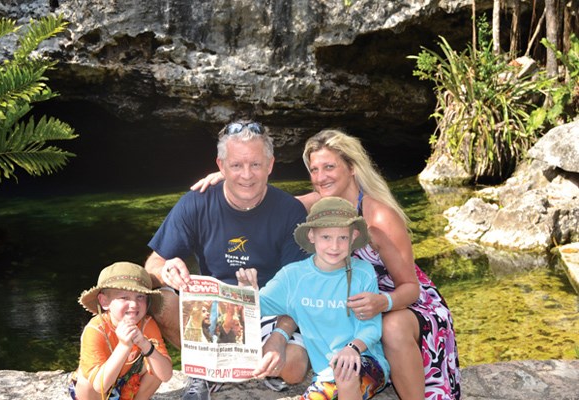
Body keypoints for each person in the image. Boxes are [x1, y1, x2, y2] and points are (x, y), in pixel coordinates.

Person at [192, 129, 462, 399]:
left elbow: (410, 288)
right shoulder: (320, 205)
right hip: (350, 301)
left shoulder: (380, 217)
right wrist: (231, 179)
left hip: (402, 301)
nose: (321, 177)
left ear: (352, 167)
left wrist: (383, 303)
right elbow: (261, 203)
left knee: (391, 326)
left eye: (329, 167)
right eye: (314, 169)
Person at [145, 120, 309, 400]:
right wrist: (167, 271)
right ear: (221, 166)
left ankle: (245, 363)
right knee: (160, 300)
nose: (247, 175)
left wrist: (280, 338)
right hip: (211, 314)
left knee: (294, 368)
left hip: (269, 311)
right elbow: (152, 264)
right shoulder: (196, 203)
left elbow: (300, 288)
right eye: (236, 165)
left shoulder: (290, 211)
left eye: (256, 165)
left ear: (270, 165)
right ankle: (204, 369)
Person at [236, 196, 389, 400]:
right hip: (325, 376)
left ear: (353, 236)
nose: (334, 246)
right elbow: (253, 310)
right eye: (326, 237)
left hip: (365, 361)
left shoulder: (363, 272)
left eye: (342, 238)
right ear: (311, 235)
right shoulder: (292, 276)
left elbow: (372, 327)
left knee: (346, 374)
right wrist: (247, 292)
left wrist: (352, 348)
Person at [69, 261, 173, 400]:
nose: (134, 304)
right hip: (100, 387)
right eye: (124, 297)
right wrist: (124, 346)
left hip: (127, 382)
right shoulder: (95, 330)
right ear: (104, 301)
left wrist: (145, 345)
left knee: (156, 363)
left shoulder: (147, 324)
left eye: (140, 296)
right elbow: (99, 386)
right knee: (86, 380)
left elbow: (165, 375)